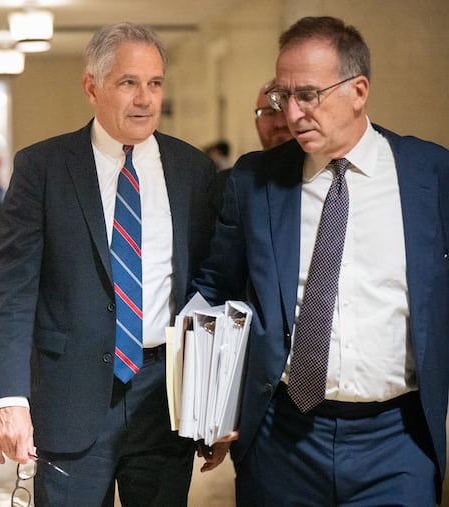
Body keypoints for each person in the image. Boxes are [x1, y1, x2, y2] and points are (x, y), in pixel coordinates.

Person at [192, 16, 449, 506]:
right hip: (281, 436)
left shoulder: (430, 174)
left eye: (308, 94)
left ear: (359, 90)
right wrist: (211, 406)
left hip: (397, 441)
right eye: (282, 97)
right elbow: (215, 292)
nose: (291, 113)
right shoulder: (256, 182)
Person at [0, 22, 229, 507]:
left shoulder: (193, 171)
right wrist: (9, 400)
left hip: (165, 398)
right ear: (91, 87)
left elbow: (212, 289)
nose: (144, 98)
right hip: (69, 397)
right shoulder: (43, 168)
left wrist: (216, 404)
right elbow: (13, 291)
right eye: (128, 82)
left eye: (155, 83)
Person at [254, 79, 292, 150]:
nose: (279, 124)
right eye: (269, 113)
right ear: (257, 124)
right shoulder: (246, 161)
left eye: (286, 111)